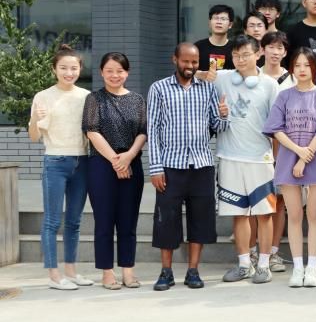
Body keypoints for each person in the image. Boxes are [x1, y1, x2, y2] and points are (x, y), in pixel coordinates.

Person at [146, 43, 230, 291]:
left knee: (200, 221)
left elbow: (217, 127)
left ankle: (193, 271)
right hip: (170, 166)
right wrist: (155, 168)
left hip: (202, 165)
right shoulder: (159, 88)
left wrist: (224, 115)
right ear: (175, 60)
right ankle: (166, 272)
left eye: (194, 62)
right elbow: (153, 129)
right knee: (166, 221)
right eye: (186, 61)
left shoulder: (208, 89)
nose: (191, 66)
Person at [263, 46, 316, 288]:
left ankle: (312, 268)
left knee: (314, 215)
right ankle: (297, 268)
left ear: (314, 68)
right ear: (292, 68)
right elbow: (276, 129)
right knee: (294, 215)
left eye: (307, 65)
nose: (302, 69)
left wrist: (305, 158)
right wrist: (298, 152)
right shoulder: (284, 96)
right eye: (297, 65)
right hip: (288, 160)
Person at [215, 36, 281, 284]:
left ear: (258, 54)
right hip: (229, 158)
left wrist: (276, 161)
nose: (240, 59)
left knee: (264, 214)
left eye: (245, 54)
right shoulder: (222, 78)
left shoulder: (270, 85)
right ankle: (244, 264)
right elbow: (197, 76)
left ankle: (263, 265)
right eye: (236, 55)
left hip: (260, 160)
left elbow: (277, 126)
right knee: (238, 214)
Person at [83, 52, 147, 289]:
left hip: (132, 163)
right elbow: (91, 131)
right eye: (109, 71)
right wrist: (116, 161)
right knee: (104, 221)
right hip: (102, 165)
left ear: (127, 73)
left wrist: (128, 157)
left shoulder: (137, 100)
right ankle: (107, 273)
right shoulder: (94, 99)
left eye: (119, 71)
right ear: (101, 72)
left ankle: (128, 271)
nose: (114, 75)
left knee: (128, 220)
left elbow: (143, 131)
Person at [31, 45, 92, 290]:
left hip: (82, 162)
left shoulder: (87, 96)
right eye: (63, 68)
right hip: (55, 162)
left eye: (73, 68)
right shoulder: (43, 96)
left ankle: (71, 271)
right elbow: (34, 136)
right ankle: (54, 276)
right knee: (52, 221)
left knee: (74, 221)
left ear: (80, 69)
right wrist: (35, 119)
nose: (69, 72)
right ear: (54, 69)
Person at [258, 31, 294, 272]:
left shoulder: (292, 79)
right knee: (258, 201)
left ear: (285, 52)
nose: (275, 51)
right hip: (257, 147)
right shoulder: (253, 76)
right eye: (271, 46)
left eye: (280, 47)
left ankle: (273, 252)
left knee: (280, 201)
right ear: (262, 50)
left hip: (285, 148)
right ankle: (254, 251)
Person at [195, 4, 236, 76]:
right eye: (216, 18)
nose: (219, 22)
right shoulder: (198, 47)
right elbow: (189, 72)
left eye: (223, 19)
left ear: (230, 25)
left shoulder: (236, 48)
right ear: (209, 23)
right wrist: (202, 74)